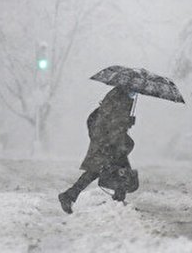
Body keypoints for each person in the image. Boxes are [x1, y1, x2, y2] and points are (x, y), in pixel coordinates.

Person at [58, 86, 136, 214]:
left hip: (109, 141)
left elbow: (113, 122)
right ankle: (118, 202)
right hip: (107, 142)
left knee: (100, 170)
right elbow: (110, 121)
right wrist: (126, 121)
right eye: (134, 90)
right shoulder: (118, 97)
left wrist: (126, 122)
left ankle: (70, 195)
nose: (135, 92)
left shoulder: (122, 97)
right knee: (113, 169)